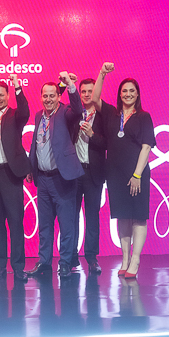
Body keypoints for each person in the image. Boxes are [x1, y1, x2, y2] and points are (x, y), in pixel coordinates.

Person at [91, 64, 156, 279]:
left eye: (132, 91)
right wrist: (102, 74)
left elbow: (146, 147)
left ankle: (135, 260)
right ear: (120, 94)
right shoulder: (112, 113)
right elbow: (95, 98)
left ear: (137, 94)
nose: (128, 94)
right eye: (124, 91)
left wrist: (137, 175)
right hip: (115, 174)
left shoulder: (144, 116)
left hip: (136, 174)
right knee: (122, 217)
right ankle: (125, 258)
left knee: (138, 217)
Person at [27, 72, 84, 278]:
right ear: (41, 97)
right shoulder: (38, 116)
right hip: (42, 179)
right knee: (45, 225)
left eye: (52, 95)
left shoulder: (65, 112)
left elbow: (78, 109)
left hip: (63, 178)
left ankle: (66, 262)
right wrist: (31, 168)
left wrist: (70, 86)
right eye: (45, 96)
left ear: (59, 97)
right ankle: (44, 262)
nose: (48, 99)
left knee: (66, 225)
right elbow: (36, 143)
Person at [0, 75, 30, 281]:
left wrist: (18, 87)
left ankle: (18, 267)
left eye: (1, 95)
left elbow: (25, 111)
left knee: (16, 222)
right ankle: (0, 266)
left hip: (11, 174)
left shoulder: (15, 116)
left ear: (8, 95)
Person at [73, 76, 108, 275]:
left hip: (94, 172)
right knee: (71, 216)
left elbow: (108, 143)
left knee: (92, 216)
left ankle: (92, 257)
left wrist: (92, 134)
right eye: (83, 91)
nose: (87, 95)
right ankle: (71, 256)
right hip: (74, 173)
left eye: (90, 91)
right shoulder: (73, 113)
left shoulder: (103, 116)